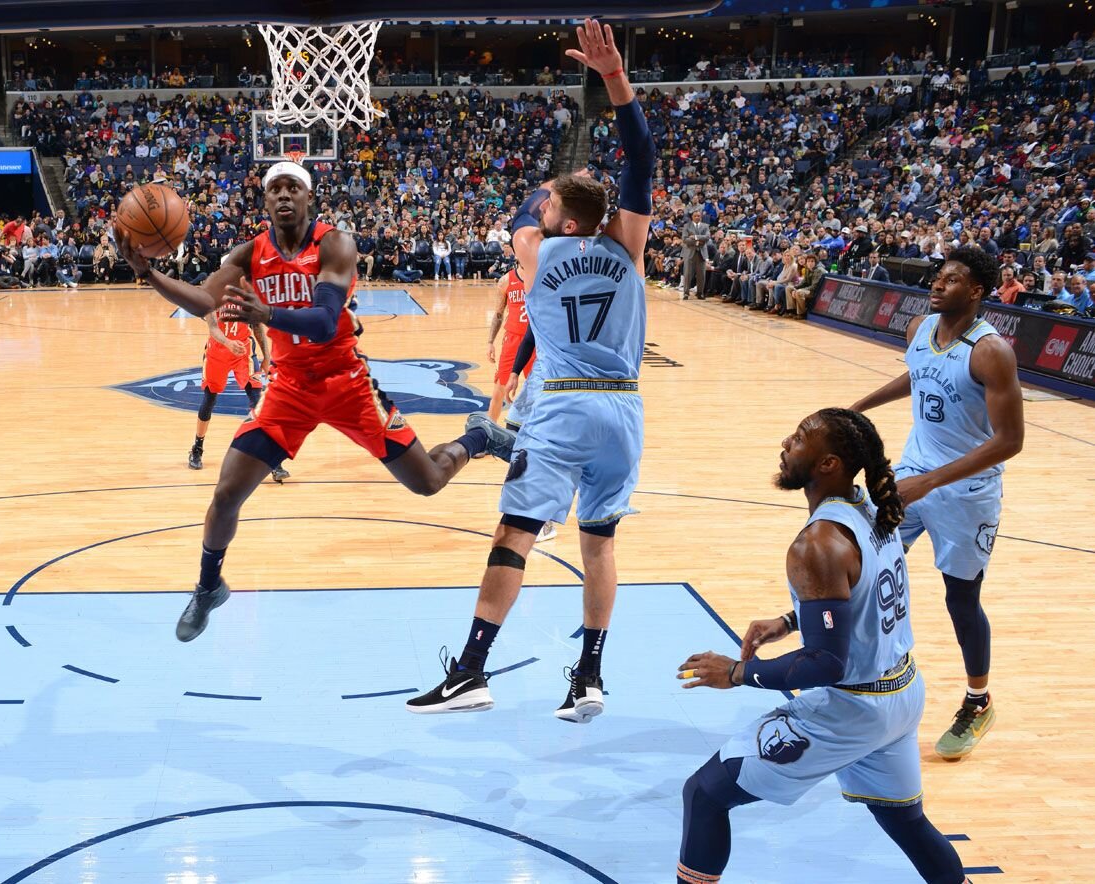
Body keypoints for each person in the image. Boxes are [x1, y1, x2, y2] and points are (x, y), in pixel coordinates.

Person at [116, 161, 498, 642]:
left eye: (292, 187)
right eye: (273, 187)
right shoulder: (250, 252)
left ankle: (478, 436)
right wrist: (147, 272)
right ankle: (208, 586)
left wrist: (268, 312)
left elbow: (323, 320)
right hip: (288, 387)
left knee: (427, 482)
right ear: (264, 200)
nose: (282, 195)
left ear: (308, 198)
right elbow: (203, 301)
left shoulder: (334, 244)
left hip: (346, 383)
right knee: (226, 492)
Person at [407, 19, 653, 719]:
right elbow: (642, 156)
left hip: (567, 406)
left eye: (548, 206)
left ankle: (473, 670)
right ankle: (590, 677)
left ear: (563, 223)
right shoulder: (628, 246)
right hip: (625, 410)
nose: (539, 209)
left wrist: (550, 188)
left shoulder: (536, 254)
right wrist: (616, 80)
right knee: (598, 543)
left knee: (514, 533)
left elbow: (528, 217)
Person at [674, 408, 971, 884]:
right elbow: (861, 594)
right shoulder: (873, 507)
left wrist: (737, 673)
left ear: (828, 463)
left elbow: (826, 663)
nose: (785, 444)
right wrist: (792, 619)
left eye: (798, 439)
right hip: (902, 693)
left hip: (853, 710)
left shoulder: (817, 543)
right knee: (904, 820)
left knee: (705, 794)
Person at [850, 246, 1023, 760]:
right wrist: (860, 407)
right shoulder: (919, 330)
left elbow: (1010, 440)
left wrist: (930, 484)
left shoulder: (991, 351)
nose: (938, 283)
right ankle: (851, 669)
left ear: (976, 291)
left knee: (960, 599)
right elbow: (920, 375)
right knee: (862, 557)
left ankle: (978, 699)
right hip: (913, 472)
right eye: (938, 275)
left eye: (952, 279)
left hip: (967, 492)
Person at [188, 312, 289, 483]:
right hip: (217, 353)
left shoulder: (246, 290)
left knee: (258, 403)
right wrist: (228, 343)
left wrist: (267, 356)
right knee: (209, 399)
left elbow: (256, 325)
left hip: (243, 353)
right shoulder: (214, 290)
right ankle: (197, 448)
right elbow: (213, 327)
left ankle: (273, 461)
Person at [486, 267, 533, 426]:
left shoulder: (540, 275)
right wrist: (490, 342)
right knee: (499, 390)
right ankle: (488, 434)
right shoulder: (505, 280)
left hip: (535, 340)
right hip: (512, 339)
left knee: (538, 390)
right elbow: (498, 314)